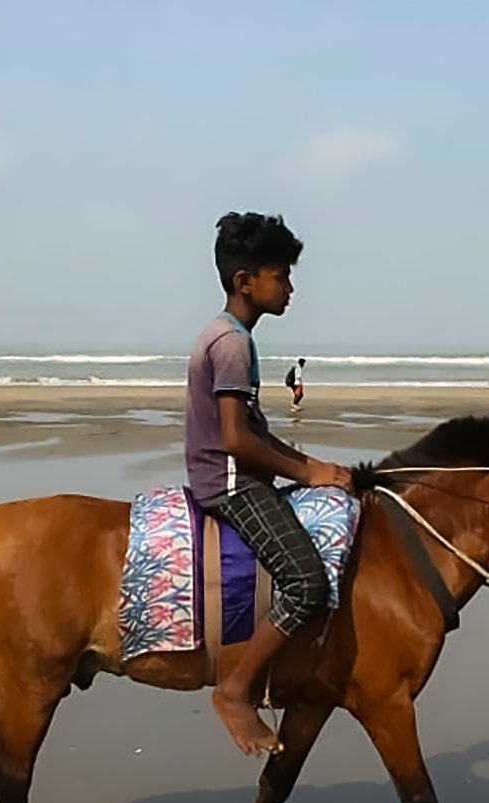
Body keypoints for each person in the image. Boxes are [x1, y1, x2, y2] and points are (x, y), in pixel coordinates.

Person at [185, 212, 352, 756]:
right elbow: (237, 439)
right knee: (307, 580)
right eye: (280, 275)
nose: (290, 287)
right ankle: (236, 691)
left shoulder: (231, 336)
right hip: (231, 485)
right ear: (245, 281)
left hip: (238, 474)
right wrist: (308, 472)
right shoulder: (231, 345)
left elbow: (256, 431)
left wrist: (315, 465)